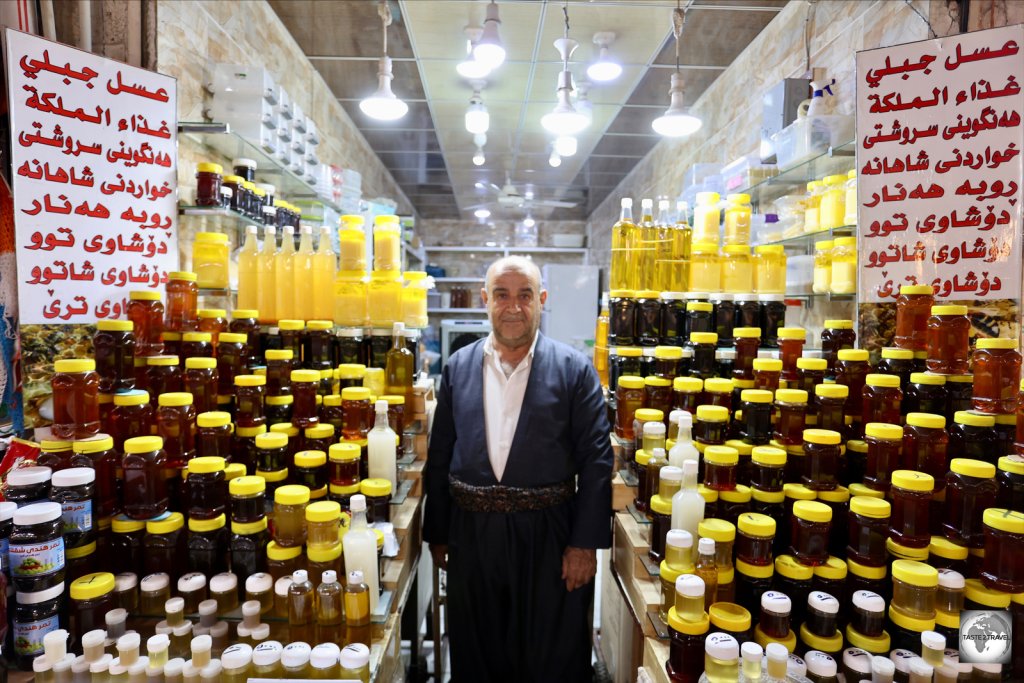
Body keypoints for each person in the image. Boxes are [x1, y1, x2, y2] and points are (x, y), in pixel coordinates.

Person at [424, 255, 613, 682]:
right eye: (502, 295)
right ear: (484, 299)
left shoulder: (574, 370)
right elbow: (440, 455)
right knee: (478, 654)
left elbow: (597, 460)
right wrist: (438, 532)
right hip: (473, 535)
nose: (513, 306)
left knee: (551, 656)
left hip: (550, 536)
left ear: (541, 299)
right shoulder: (458, 368)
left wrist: (584, 545)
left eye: (525, 295)